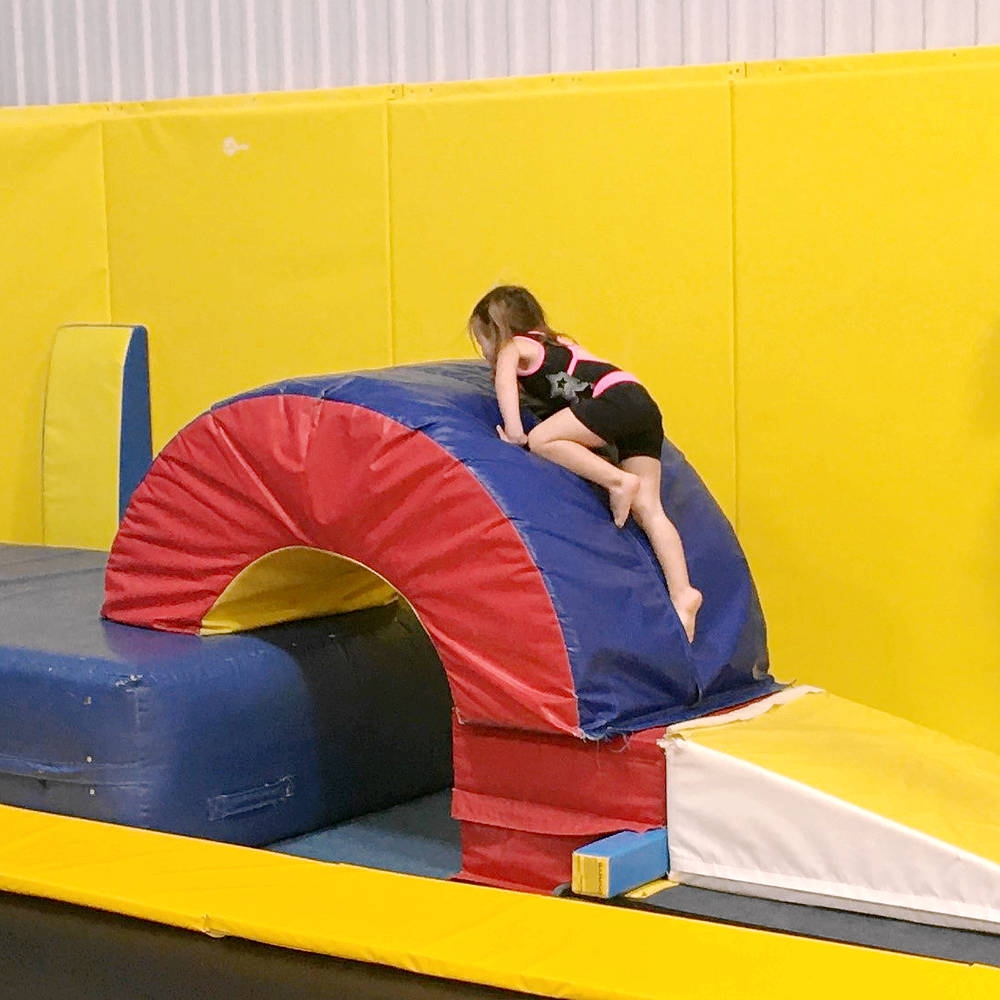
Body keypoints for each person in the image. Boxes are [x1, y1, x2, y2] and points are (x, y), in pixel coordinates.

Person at [468, 285, 702, 643]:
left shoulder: (513, 348)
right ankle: (684, 593)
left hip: (615, 401)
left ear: (496, 329)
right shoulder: (556, 344)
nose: (485, 352)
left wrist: (515, 434)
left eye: (481, 339)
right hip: (639, 401)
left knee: (542, 439)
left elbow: (505, 384)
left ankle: (616, 481)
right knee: (650, 509)